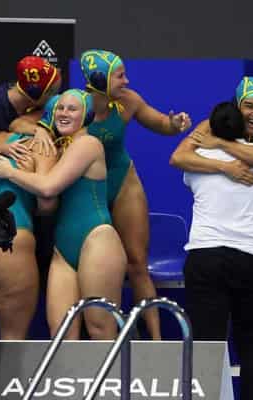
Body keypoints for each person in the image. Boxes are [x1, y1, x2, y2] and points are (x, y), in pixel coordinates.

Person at [170, 78, 253, 400]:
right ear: (236, 107)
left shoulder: (201, 157)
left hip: (213, 257)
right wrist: (228, 164)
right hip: (249, 259)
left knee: (207, 348)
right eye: (249, 107)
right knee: (251, 347)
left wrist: (220, 148)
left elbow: (180, 159)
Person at [0, 89, 127, 340]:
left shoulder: (89, 144)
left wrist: (9, 172)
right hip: (63, 249)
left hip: (97, 238)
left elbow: (49, 187)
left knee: (100, 328)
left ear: (86, 115)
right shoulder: (56, 146)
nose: (64, 113)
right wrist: (41, 130)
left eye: (72, 109)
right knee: (61, 332)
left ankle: (113, 378)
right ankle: (69, 379)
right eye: (60, 108)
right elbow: (16, 122)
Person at [80, 49, 192, 339]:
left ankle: (154, 341)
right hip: (87, 190)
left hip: (123, 183)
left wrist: (174, 124)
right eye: (119, 76)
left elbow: (160, 123)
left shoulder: (127, 102)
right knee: (95, 268)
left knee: (138, 263)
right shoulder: (74, 107)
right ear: (99, 79)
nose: (127, 80)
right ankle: (109, 337)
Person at [0, 126, 57, 339]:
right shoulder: (39, 146)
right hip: (11, 246)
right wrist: (24, 176)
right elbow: (46, 205)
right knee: (13, 342)